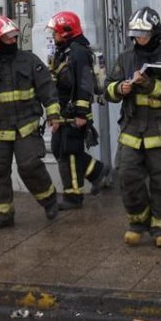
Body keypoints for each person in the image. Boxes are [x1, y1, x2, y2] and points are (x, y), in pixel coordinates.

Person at [0, 15, 62, 231]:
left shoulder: (29, 61)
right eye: (7, 37)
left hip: (26, 126)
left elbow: (47, 89)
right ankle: (2, 214)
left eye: (14, 36)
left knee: (29, 166)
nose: (13, 41)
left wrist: (53, 115)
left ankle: (50, 200)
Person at [104, 7, 161, 248]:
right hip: (132, 131)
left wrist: (149, 83)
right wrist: (120, 89)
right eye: (136, 34)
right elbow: (108, 88)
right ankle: (138, 223)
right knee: (127, 175)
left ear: (155, 33)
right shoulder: (125, 58)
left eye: (144, 34)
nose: (139, 39)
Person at [46, 11, 113, 210]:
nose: (53, 36)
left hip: (75, 112)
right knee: (60, 149)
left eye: (56, 32)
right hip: (63, 111)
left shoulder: (79, 53)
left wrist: (81, 114)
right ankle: (98, 171)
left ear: (66, 32)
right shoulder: (64, 51)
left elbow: (84, 84)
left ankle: (73, 196)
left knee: (70, 152)